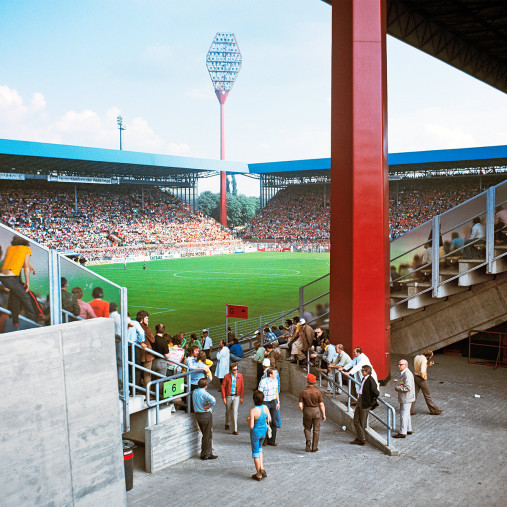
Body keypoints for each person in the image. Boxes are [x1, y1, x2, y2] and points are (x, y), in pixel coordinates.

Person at [0, 235, 43, 326]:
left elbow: (14, 263)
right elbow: (26, 267)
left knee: (16, 295)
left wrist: (27, 265)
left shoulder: (10, 248)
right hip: (11, 278)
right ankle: (38, 316)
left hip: (4, 278)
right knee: (26, 296)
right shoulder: (26, 249)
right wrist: (27, 282)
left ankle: (15, 321)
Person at [350, 365, 379, 446]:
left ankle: (361, 439)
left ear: (367, 371)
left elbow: (376, 392)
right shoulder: (364, 378)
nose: (362, 372)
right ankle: (360, 437)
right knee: (356, 420)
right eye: (362, 370)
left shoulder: (370, 380)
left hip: (365, 403)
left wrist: (371, 403)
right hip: (361, 400)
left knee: (362, 422)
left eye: (363, 370)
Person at [298, 373, 326, 452]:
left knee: (307, 428)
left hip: (307, 410)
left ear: (307, 381)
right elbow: (321, 404)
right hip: (316, 411)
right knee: (316, 430)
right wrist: (323, 414)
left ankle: (308, 441)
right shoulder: (317, 392)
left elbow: (300, 405)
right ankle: (314, 447)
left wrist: (303, 411)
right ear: (314, 382)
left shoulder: (303, 392)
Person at [248, 390, 271, 481]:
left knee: (255, 452)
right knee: (260, 449)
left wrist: (249, 419)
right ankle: (262, 468)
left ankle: (258, 474)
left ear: (254, 399)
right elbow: (269, 419)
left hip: (255, 433)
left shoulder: (253, 411)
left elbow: (251, 426)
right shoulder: (265, 407)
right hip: (263, 432)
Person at [192, 378, 217, 460]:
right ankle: (205, 454)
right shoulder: (203, 393)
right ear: (206, 386)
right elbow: (213, 400)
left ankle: (207, 452)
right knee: (207, 435)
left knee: (205, 434)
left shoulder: (195, 391)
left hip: (197, 415)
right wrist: (209, 406)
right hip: (205, 415)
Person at [411, 350, 442, 416]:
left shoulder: (416, 357)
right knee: (427, 395)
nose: (431, 357)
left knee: (414, 394)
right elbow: (422, 370)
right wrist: (424, 376)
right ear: (428, 356)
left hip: (415, 377)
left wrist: (428, 365)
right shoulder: (424, 360)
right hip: (421, 379)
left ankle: (410, 410)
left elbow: (419, 366)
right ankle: (434, 410)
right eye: (431, 356)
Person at [393, 359, 416, 438]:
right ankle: (408, 429)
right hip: (407, 397)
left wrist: (397, 388)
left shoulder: (407, 374)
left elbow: (407, 387)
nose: (399, 366)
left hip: (406, 397)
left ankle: (402, 432)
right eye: (399, 364)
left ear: (406, 365)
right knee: (406, 414)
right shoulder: (405, 373)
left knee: (403, 414)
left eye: (401, 364)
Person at [258, 368, 280, 446]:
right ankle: (264, 440)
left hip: (273, 401)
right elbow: (260, 393)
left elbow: (276, 391)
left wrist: (278, 402)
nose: (276, 374)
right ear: (270, 374)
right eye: (275, 373)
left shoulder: (276, 381)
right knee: (265, 421)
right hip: (265, 402)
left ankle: (272, 440)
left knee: (274, 420)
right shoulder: (263, 382)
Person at [221, 363, 244, 435]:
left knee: (235, 411)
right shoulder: (227, 376)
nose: (235, 371)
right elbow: (223, 387)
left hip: (236, 396)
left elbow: (242, 387)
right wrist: (224, 397)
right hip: (229, 396)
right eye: (234, 370)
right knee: (228, 411)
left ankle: (235, 429)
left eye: (237, 369)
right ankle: (227, 422)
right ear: (231, 370)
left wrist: (242, 397)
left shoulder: (240, 376)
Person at [185, 345, 210, 411]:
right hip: (193, 381)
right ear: (192, 351)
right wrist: (202, 368)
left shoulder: (196, 359)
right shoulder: (189, 359)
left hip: (197, 381)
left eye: (198, 351)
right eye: (196, 351)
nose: (198, 352)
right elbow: (191, 367)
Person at [136, 310, 154, 394]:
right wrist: (147, 327)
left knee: (138, 372)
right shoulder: (145, 328)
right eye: (146, 318)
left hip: (137, 353)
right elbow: (152, 340)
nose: (148, 320)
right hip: (146, 355)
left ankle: (137, 389)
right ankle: (147, 393)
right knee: (147, 375)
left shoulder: (134, 325)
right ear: (142, 319)